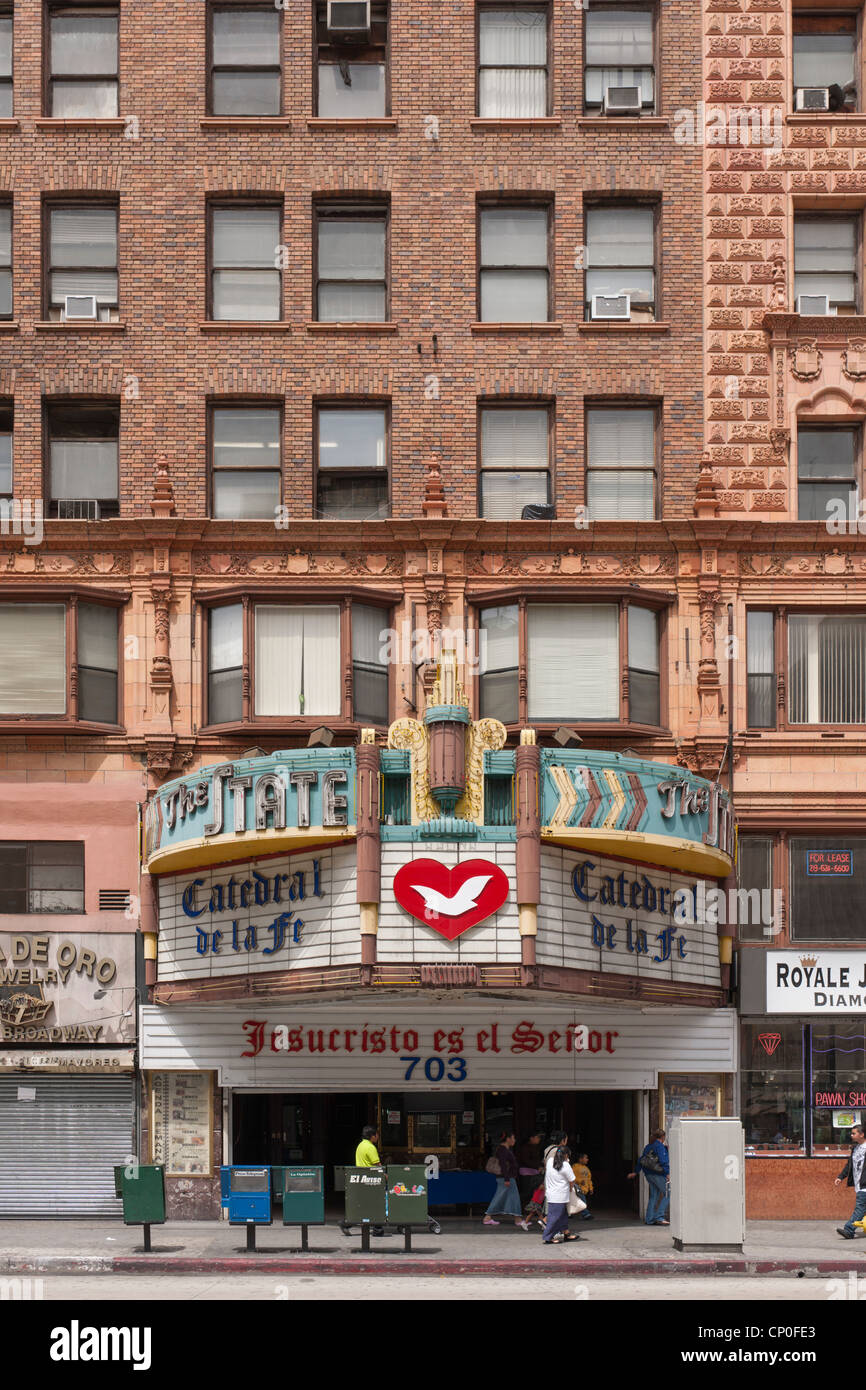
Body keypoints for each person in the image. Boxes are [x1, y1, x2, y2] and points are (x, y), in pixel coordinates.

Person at [340, 1124, 393, 1238]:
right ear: (372, 1136)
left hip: (363, 1180)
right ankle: (375, 1229)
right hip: (372, 1180)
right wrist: (386, 1176)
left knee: (368, 1206)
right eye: (377, 1134)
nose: (378, 1136)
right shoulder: (370, 1147)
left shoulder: (360, 1145)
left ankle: (375, 1229)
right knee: (377, 1204)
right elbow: (377, 1165)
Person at [483, 1131, 531, 1229]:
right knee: (502, 1197)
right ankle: (488, 1217)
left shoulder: (504, 1149)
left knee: (512, 1197)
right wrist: (507, 1178)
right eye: (513, 1138)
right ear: (508, 1139)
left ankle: (517, 1218)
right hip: (506, 1178)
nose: (514, 1140)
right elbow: (503, 1165)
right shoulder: (503, 1150)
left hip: (507, 1177)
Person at [628, 1128, 670, 1226]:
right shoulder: (660, 1147)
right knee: (668, 1193)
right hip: (658, 1174)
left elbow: (641, 1160)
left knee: (654, 1195)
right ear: (663, 1137)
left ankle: (649, 1219)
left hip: (648, 1174)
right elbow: (663, 1161)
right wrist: (667, 1173)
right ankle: (659, 1216)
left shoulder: (648, 1146)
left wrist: (636, 1172)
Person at [541, 1142, 580, 1244]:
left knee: (562, 1215)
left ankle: (566, 1233)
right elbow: (572, 1180)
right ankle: (548, 1237)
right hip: (561, 1195)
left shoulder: (550, 1161)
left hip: (551, 1193)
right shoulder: (566, 1165)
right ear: (566, 1155)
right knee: (554, 1217)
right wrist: (571, 1189)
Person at [835, 1123, 866, 1238]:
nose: (851, 1135)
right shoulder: (855, 1149)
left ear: (862, 1134)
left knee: (860, 1208)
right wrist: (840, 1177)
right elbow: (849, 1165)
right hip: (859, 1184)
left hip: (865, 1186)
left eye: (854, 1133)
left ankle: (849, 1230)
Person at [517, 1129, 545, 1205]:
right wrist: (537, 1166)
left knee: (533, 1191)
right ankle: (517, 1205)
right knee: (527, 1192)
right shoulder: (525, 1147)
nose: (539, 1139)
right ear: (531, 1138)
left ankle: (532, 1208)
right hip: (526, 1172)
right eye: (537, 1137)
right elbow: (525, 1160)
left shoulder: (536, 1147)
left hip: (534, 1172)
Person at [572, 1152, 594, 1221]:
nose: (587, 1159)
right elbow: (571, 1177)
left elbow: (589, 1179)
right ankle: (586, 1214)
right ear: (580, 1159)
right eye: (586, 1158)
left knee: (576, 1202)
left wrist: (591, 1188)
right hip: (577, 1188)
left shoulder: (587, 1169)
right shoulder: (575, 1167)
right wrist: (579, 1181)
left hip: (585, 1189)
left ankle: (568, 1213)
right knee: (583, 1201)